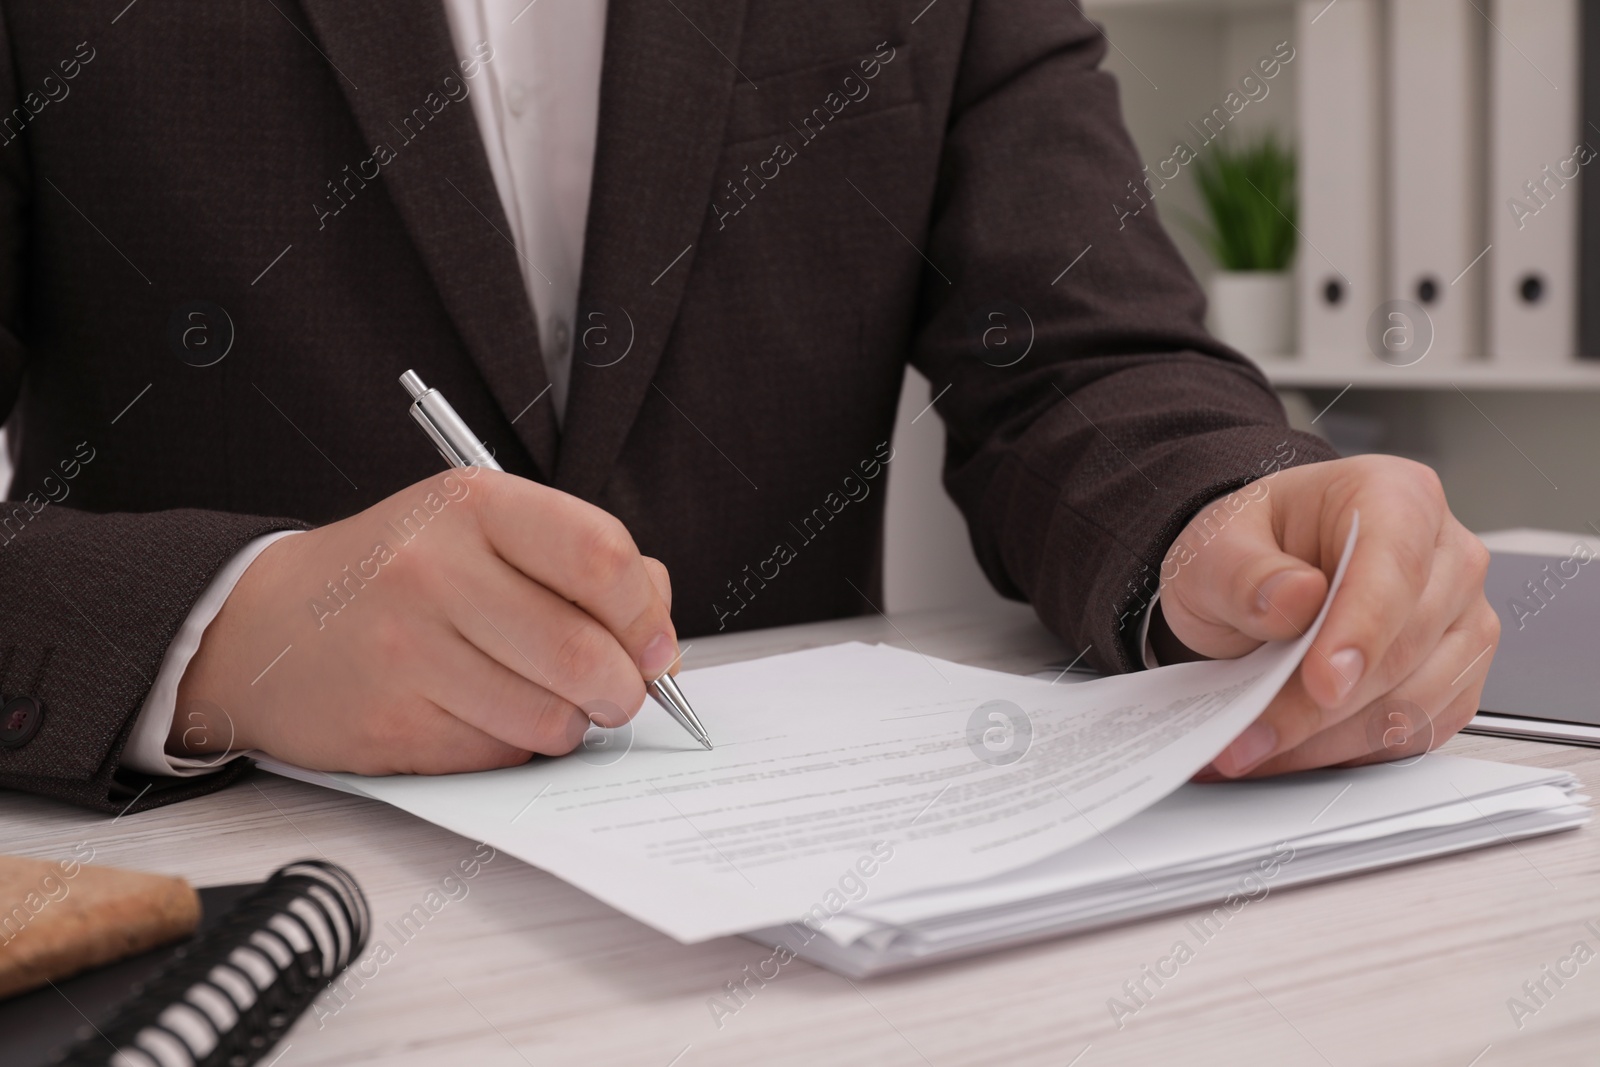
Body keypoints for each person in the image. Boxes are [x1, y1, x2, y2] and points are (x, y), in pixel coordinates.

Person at [0, 0, 1495, 813]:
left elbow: (1085, 353)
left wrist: (1221, 515)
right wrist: (226, 631)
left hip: (816, 935)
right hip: (244, 895)